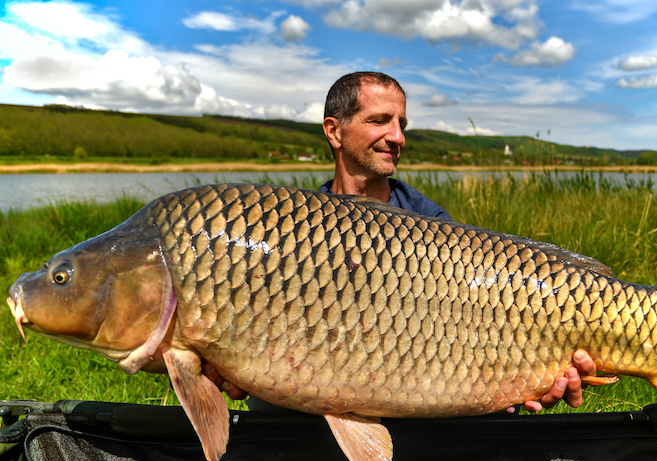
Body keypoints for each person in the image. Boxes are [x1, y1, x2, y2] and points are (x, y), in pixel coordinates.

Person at [206, 71, 597, 412]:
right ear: (334, 130)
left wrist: (532, 375)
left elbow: (474, 339)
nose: (397, 137)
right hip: (307, 404)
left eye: (402, 124)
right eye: (379, 120)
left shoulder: (434, 226)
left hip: (413, 397)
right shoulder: (296, 227)